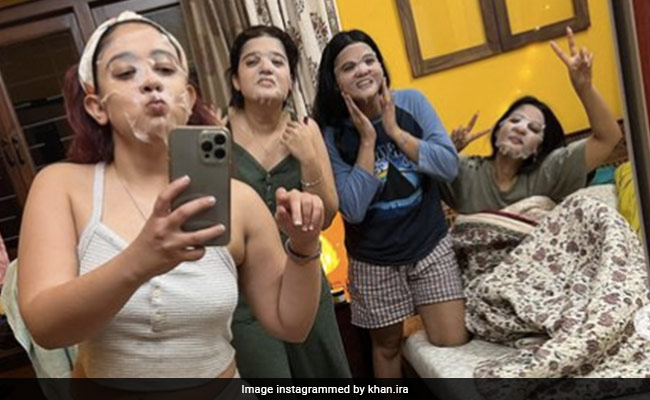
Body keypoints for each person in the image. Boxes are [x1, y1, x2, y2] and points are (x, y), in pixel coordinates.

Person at [17, 11, 324, 390]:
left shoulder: (239, 201)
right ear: (97, 106)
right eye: (125, 73)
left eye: (164, 68)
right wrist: (141, 260)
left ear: (188, 96)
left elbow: (290, 325)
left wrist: (304, 245)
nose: (150, 82)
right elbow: (45, 328)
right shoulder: (60, 186)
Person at [313, 29, 469, 379]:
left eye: (369, 61)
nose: (362, 70)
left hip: (429, 246)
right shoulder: (331, 134)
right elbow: (353, 209)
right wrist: (368, 140)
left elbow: (448, 165)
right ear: (335, 83)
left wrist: (395, 131)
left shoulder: (412, 102)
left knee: (452, 342)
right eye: (349, 67)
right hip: (374, 259)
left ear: (381, 67)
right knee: (386, 348)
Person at [223, 25, 350, 379]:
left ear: (290, 80)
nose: (266, 68)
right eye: (253, 61)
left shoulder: (307, 130)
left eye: (277, 62)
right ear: (235, 80)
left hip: (306, 281)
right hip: (243, 299)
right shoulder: (216, 135)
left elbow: (327, 215)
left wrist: (309, 159)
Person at [443, 27, 622, 214]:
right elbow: (423, 171)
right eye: (515, 120)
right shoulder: (468, 171)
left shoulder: (548, 172)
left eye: (534, 128)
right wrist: (447, 149)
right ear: (498, 130)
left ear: (538, 147)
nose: (521, 129)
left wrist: (585, 88)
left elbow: (608, 137)